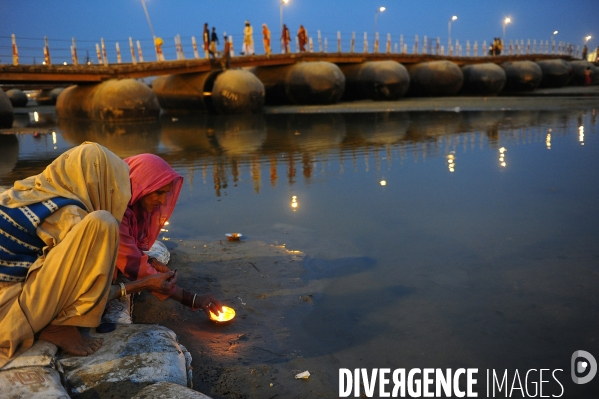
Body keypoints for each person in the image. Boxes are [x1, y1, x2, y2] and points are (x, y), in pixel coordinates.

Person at [0, 142, 131, 367]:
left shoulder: (24, 193)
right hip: (6, 319)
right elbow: (76, 280)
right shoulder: (69, 212)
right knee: (102, 224)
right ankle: (61, 325)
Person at [115, 154, 223, 318]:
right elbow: (134, 266)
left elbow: (129, 250)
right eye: (158, 192)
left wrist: (150, 261)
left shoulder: (133, 210)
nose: (162, 200)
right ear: (139, 184)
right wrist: (192, 299)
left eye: (166, 193)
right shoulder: (116, 212)